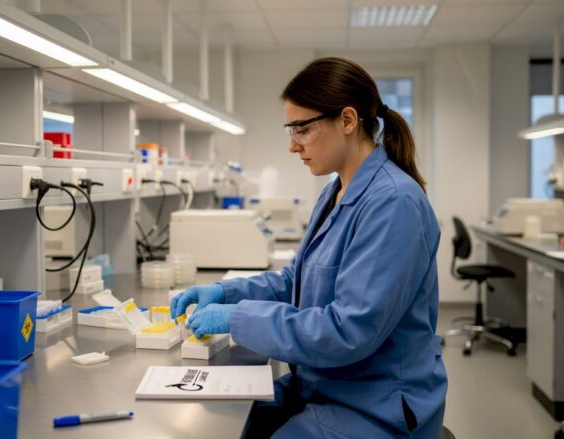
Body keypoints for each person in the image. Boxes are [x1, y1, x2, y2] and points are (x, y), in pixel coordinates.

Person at [170, 57, 447, 438]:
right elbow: (295, 282)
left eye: (301, 129)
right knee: (227, 421)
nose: (291, 145)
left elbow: (347, 331)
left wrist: (237, 320)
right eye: (290, 129)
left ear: (348, 121)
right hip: (328, 385)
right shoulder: (335, 192)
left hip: (377, 405)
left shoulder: (394, 202)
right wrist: (226, 293)